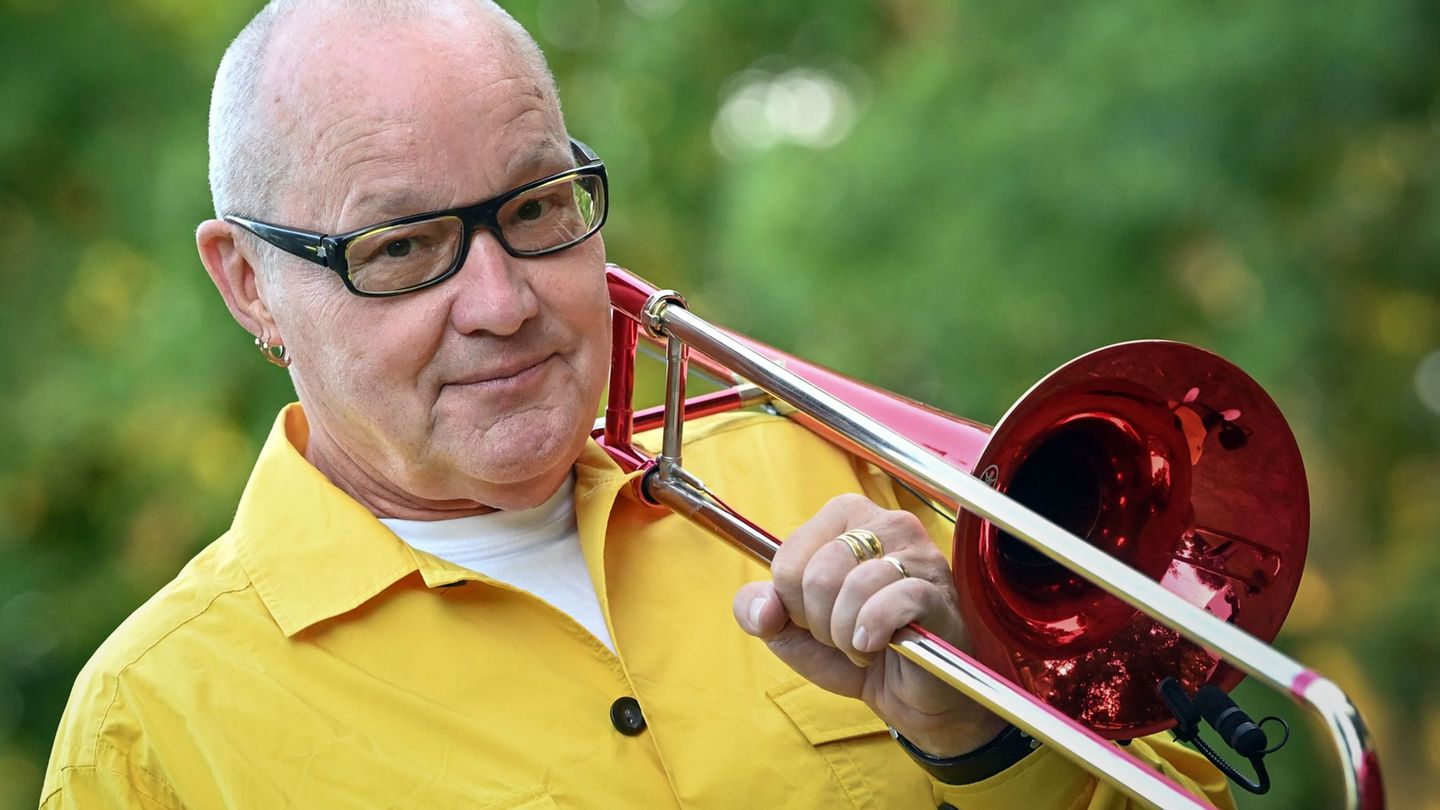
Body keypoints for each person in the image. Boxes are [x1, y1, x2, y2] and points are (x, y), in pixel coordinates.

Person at [41, 1, 1233, 807]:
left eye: (536, 207)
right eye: (402, 248)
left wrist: (980, 744)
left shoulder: (827, 481)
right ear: (249, 282)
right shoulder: (152, 725)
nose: (503, 302)